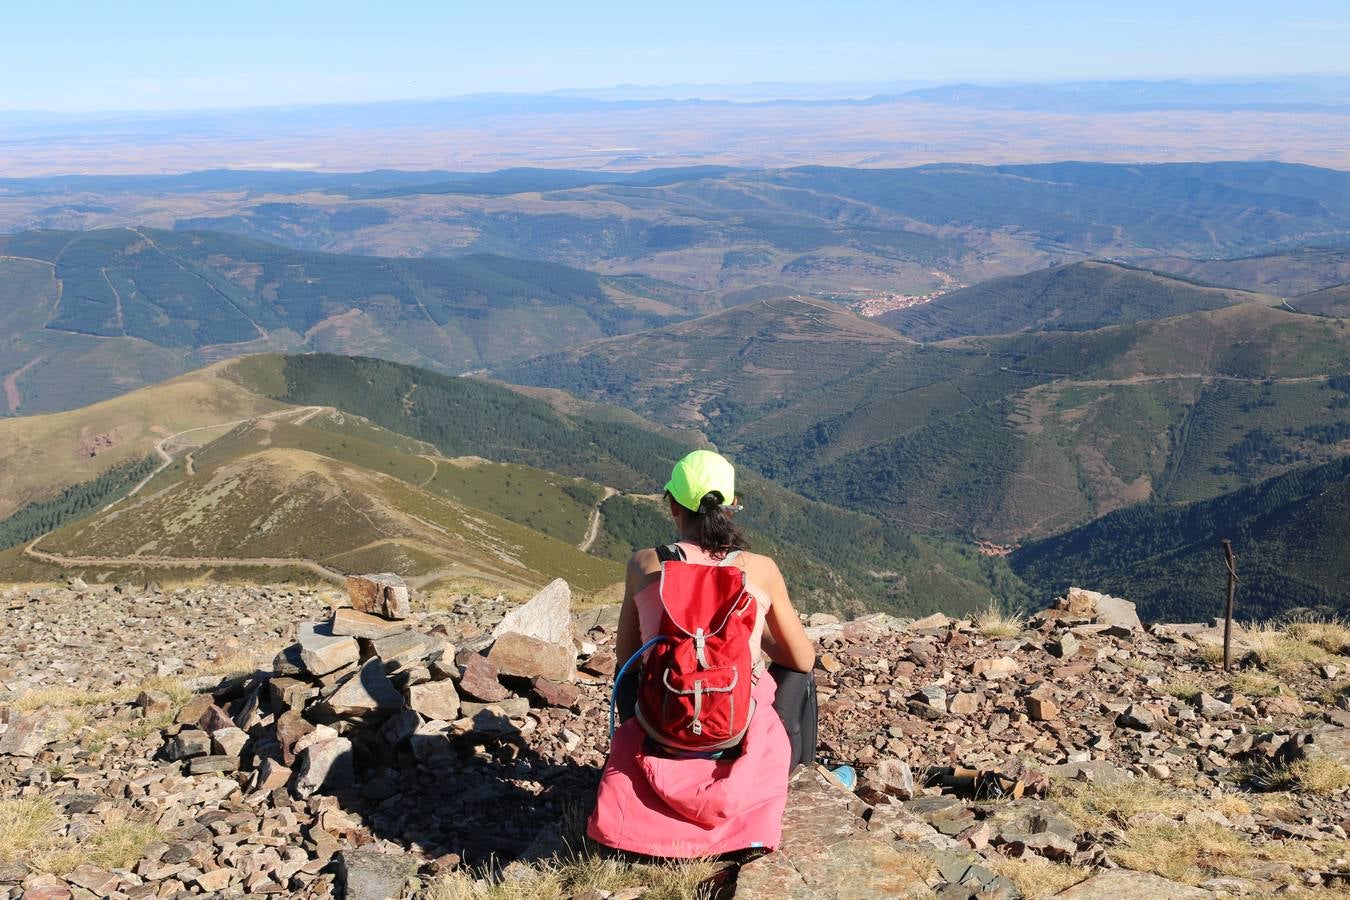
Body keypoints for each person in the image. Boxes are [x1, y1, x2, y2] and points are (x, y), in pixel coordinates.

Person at [586, 449, 822, 858]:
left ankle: (651, 773)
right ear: (731, 508)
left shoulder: (643, 564)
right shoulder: (759, 568)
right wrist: (752, 635)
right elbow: (802, 659)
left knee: (632, 679)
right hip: (733, 729)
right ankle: (790, 775)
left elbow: (627, 661)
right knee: (800, 676)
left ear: (673, 505)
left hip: (664, 728)